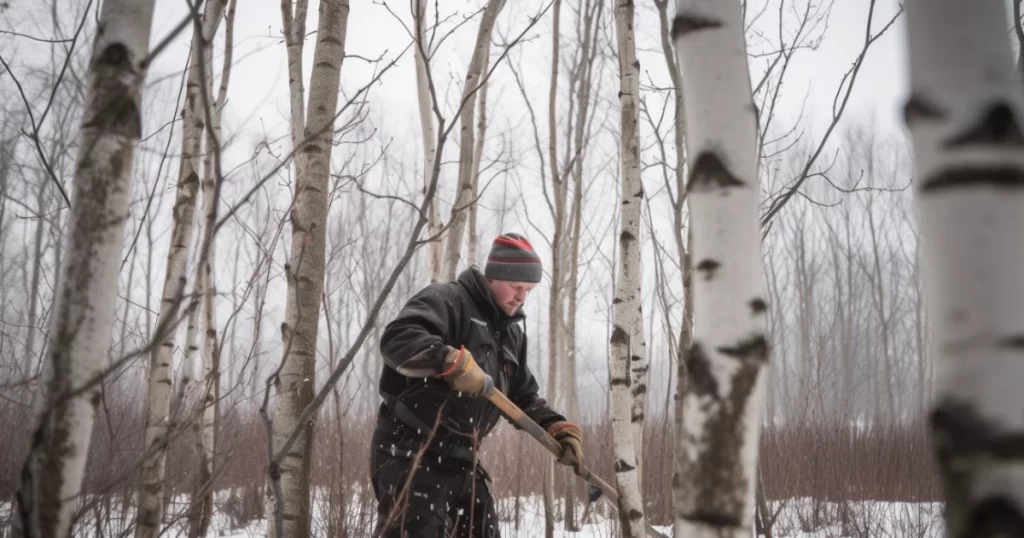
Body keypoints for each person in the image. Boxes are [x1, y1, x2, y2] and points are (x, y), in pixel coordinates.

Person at [370, 233, 584, 538]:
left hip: (464, 456)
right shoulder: (448, 300)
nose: (522, 298)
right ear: (494, 277)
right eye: (517, 287)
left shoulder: (511, 336)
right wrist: (448, 361)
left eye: (529, 290)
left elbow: (521, 396)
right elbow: (398, 339)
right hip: (412, 449)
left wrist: (556, 427)